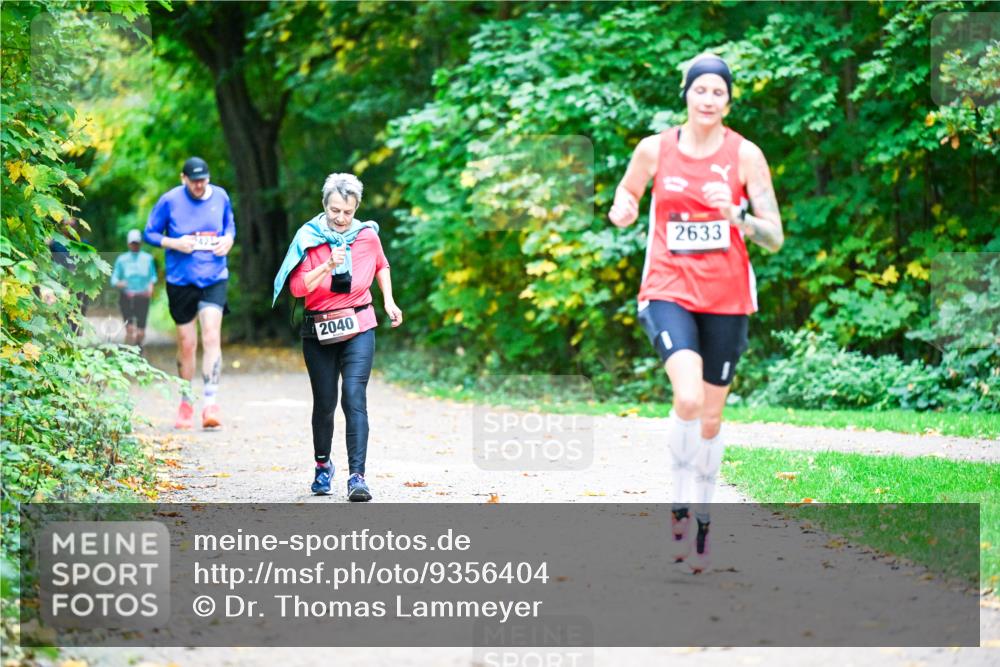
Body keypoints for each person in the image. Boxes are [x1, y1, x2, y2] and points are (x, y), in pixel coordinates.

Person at [608, 53, 784, 573]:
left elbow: (774, 237)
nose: (708, 100)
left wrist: (739, 215)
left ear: (729, 101)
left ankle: (704, 511)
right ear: (686, 93)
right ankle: (679, 502)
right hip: (668, 288)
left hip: (728, 299)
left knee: (710, 416)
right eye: (700, 90)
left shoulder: (746, 156)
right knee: (686, 397)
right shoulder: (654, 149)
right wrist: (624, 207)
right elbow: (628, 190)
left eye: (718, 93)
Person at [273, 173, 402, 501]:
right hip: (319, 328)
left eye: (347, 211)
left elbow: (381, 265)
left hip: (359, 323)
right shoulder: (308, 238)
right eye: (334, 211)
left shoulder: (367, 236)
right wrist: (328, 263)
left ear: (356, 207)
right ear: (324, 206)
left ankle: (357, 477)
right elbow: (298, 288)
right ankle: (322, 466)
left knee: (354, 396)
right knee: (326, 402)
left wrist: (388, 299)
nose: (341, 219)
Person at [144, 157, 236, 430]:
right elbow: (150, 233)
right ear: (183, 178)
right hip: (181, 280)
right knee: (187, 344)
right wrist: (174, 242)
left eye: (203, 180)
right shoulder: (170, 201)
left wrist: (228, 241)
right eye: (194, 181)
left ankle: (210, 403)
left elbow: (230, 226)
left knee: (211, 335)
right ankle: (186, 401)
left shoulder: (220, 196)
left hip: (214, 277)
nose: (199, 185)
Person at [111, 229, 157, 349]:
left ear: (140, 243)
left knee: (141, 331)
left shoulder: (147, 259)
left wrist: (151, 287)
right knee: (130, 328)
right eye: (133, 243)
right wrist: (121, 284)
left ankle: (139, 348)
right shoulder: (122, 259)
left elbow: (153, 276)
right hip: (127, 297)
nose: (135, 245)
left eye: (137, 243)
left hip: (143, 296)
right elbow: (114, 280)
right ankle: (129, 352)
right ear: (128, 243)